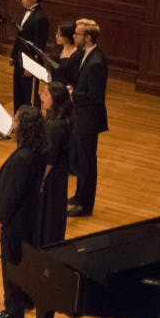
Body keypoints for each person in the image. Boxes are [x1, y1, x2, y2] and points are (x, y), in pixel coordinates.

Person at [0, 105, 46, 318]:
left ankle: (13, 309)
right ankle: (27, 299)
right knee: (23, 261)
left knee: (11, 264)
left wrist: (1, 218)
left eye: (16, 120)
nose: (13, 122)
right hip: (28, 217)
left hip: (16, 221)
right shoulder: (36, 150)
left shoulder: (23, 158)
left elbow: (14, 192)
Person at [67, 18, 108, 218]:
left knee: (87, 162)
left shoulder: (96, 62)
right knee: (81, 160)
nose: (74, 36)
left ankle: (85, 205)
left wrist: (73, 94)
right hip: (81, 115)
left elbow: (96, 97)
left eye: (77, 34)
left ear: (88, 37)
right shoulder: (86, 54)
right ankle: (78, 196)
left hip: (89, 119)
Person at [36, 81, 72, 246]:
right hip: (58, 173)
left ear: (55, 99)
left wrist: (40, 180)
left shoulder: (54, 127)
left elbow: (50, 159)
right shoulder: (57, 120)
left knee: (49, 213)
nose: (41, 96)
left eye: (45, 94)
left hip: (52, 177)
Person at [12, 0, 49, 110]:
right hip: (19, 59)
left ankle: (31, 120)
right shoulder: (24, 11)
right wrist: (14, 57)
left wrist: (32, 66)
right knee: (18, 93)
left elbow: (40, 45)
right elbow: (20, 36)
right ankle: (18, 118)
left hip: (29, 63)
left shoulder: (41, 18)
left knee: (29, 96)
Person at [49, 22, 78, 86]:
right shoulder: (58, 50)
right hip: (54, 86)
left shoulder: (77, 54)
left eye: (59, 34)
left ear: (67, 36)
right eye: (56, 33)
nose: (56, 36)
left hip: (66, 88)